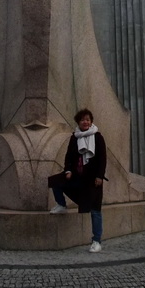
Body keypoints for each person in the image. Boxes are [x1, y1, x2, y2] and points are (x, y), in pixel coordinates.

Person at [49, 108, 107, 253]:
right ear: (78, 122)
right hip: (77, 176)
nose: (85, 122)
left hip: (93, 179)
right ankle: (61, 204)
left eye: (87, 119)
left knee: (95, 210)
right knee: (56, 181)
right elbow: (68, 156)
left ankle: (96, 241)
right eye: (82, 120)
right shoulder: (74, 137)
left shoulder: (98, 137)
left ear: (91, 121)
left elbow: (102, 158)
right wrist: (68, 170)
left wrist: (100, 176)